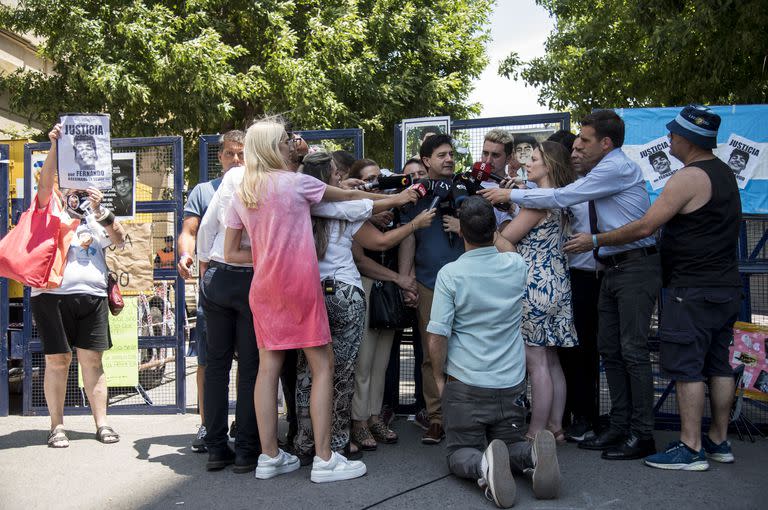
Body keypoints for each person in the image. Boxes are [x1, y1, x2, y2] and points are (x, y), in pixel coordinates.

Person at [223, 119, 417, 483]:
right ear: (271, 147)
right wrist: (398, 198)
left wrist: (267, 255)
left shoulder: (243, 192)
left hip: (263, 288)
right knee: (323, 366)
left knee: (267, 370)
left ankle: (268, 456)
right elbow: (351, 199)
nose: (291, 145)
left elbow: (231, 252)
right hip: (300, 285)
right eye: (284, 141)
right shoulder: (297, 183)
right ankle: (325, 459)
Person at [565, 104, 742, 471]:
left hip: (689, 285)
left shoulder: (687, 178)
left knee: (681, 364)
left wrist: (596, 239)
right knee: (717, 365)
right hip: (723, 283)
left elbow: (647, 227)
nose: (669, 139)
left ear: (688, 139)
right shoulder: (724, 173)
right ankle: (718, 441)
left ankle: (684, 446)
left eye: (674, 133)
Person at [480, 110, 660, 461]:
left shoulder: (611, 168)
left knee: (551, 360)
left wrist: (502, 206)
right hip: (590, 272)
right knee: (583, 355)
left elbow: (538, 216)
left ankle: (544, 431)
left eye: (585, 140)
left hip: (553, 281)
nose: (578, 145)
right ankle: (595, 427)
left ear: (606, 143)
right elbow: (564, 197)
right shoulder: (573, 183)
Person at [296, 152, 433, 460]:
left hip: (309, 292)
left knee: (309, 371)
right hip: (344, 293)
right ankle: (338, 441)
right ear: (332, 179)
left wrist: (353, 186)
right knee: (343, 371)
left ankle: (307, 439)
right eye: (335, 174)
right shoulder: (347, 207)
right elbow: (379, 238)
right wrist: (407, 209)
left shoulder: (301, 203)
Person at [427, 196, 561, 508]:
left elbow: (437, 335)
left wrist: (439, 377)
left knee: (459, 451)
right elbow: (508, 248)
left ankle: (483, 464)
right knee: (512, 442)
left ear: (461, 233)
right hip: (510, 382)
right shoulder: (515, 265)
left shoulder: (451, 274)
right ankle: (531, 454)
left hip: (466, 382)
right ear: (494, 231)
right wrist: (494, 231)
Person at [31, 124, 126, 448]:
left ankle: (102, 424)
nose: (77, 194)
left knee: (93, 362)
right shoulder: (48, 209)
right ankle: (57, 427)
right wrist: (55, 145)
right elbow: (45, 183)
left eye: (82, 190)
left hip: (92, 296)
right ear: (62, 189)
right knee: (58, 361)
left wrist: (102, 211)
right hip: (51, 296)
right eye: (71, 189)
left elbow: (120, 240)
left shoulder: (96, 216)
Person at [346, 159, 432, 451]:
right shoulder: (353, 213)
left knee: (381, 361)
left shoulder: (396, 212)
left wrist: (404, 280)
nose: (378, 188)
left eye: (380, 181)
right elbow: (361, 259)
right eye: (370, 181)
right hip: (366, 287)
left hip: (389, 292)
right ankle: (357, 422)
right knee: (363, 362)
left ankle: (373, 417)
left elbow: (407, 239)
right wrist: (400, 279)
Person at [497, 141, 578, 442]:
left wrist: (483, 227)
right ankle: (555, 427)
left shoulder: (537, 201)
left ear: (549, 165)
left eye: (533, 159)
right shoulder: (560, 198)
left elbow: (506, 240)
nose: (527, 164)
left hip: (534, 284)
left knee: (536, 361)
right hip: (556, 281)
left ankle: (535, 432)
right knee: (551, 359)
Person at [178, 130, 244, 456]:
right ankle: (208, 425)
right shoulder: (204, 192)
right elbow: (190, 232)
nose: (235, 160)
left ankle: (244, 427)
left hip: (242, 286)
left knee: (248, 362)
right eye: (230, 153)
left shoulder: (254, 185)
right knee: (209, 362)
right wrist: (185, 254)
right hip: (214, 288)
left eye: (241, 154)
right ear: (219, 156)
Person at [399, 133, 465, 445]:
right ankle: (437, 418)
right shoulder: (417, 195)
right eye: (441, 155)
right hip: (428, 284)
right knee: (431, 356)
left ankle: (466, 417)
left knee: (466, 352)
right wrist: (406, 278)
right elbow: (408, 238)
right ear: (426, 161)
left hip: (467, 286)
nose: (449, 159)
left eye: (451, 154)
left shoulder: (466, 190)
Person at [548, 134, 602, 443]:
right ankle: (561, 413)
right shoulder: (552, 192)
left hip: (586, 276)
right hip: (561, 276)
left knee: (581, 349)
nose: (577, 156)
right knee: (558, 352)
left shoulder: (588, 187)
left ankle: (585, 415)